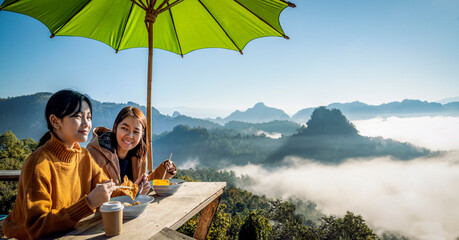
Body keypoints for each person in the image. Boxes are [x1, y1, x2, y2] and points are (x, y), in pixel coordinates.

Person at [1, 90, 117, 239]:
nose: (86, 123)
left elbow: (108, 188)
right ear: (55, 121)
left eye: (88, 117)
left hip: (71, 233)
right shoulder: (38, 164)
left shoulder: (84, 156)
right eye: (77, 116)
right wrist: (88, 203)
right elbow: (37, 226)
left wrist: (135, 190)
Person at [87, 106, 177, 195]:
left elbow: (141, 185)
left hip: (133, 207)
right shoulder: (95, 153)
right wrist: (134, 192)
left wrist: (164, 170)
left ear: (142, 135)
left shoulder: (138, 155)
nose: (130, 135)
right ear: (115, 127)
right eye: (124, 128)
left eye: (136, 131)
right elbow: (97, 195)